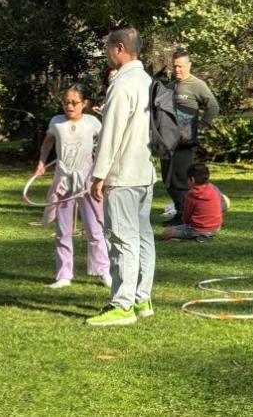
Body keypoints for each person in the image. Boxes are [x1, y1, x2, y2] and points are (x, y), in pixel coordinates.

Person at [86, 26, 155, 327]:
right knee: (142, 236)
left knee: (122, 238)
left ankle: (123, 305)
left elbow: (111, 134)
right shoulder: (147, 80)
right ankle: (142, 298)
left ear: (119, 49)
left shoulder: (122, 83)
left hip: (124, 174)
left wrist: (98, 175)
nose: (105, 53)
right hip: (145, 172)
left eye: (106, 47)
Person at [33, 84, 110, 289]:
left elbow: (106, 144)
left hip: (86, 180)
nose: (69, 106)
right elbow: (48, 141)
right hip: (64, 180)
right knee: (63, 230)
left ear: (84, 104)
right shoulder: (56, 122)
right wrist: (42, 162)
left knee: (95, 229)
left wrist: (103, 172)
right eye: (66, 102)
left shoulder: (93, 122)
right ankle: (64, 274)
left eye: (74, 102)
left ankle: (103, 271)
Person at [160, 48, 219, 224]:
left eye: (181, 66)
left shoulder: (197, 85)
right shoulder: (170, 87)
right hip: (168, 141)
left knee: (181, 178)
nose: (177, 70)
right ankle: (180, 211)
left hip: (185, 143)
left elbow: (213, 106)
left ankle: (185, 215)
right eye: (175, 66)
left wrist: (201, 125)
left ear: (189, 65)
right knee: (167, 178)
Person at [161, 163, 225, 240]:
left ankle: (196, 236)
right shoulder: (213, 188)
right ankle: (204, 235)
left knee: (166, 232)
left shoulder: (191, 194)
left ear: (192, 179)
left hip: (197, 229)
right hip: (216, 228)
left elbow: (186, 216)